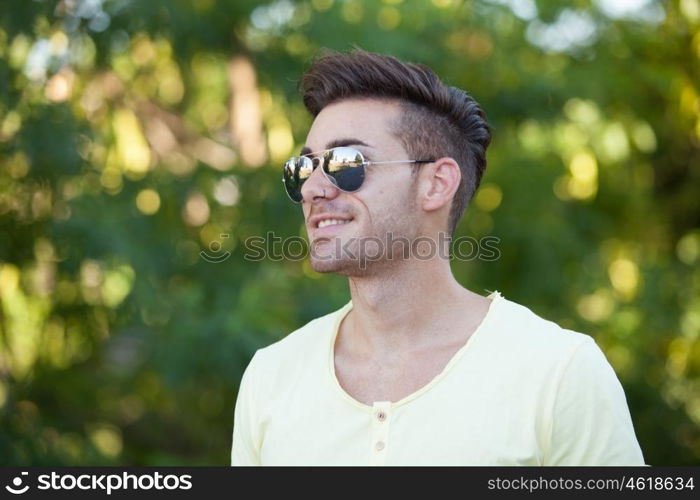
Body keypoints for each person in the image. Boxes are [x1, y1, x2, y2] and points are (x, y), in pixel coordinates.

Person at [230, 48, 645, 466]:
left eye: (345, 163)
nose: (312, 189)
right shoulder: (271, 376)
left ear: (436, 184)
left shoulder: (559, 372)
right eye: (304, 167)